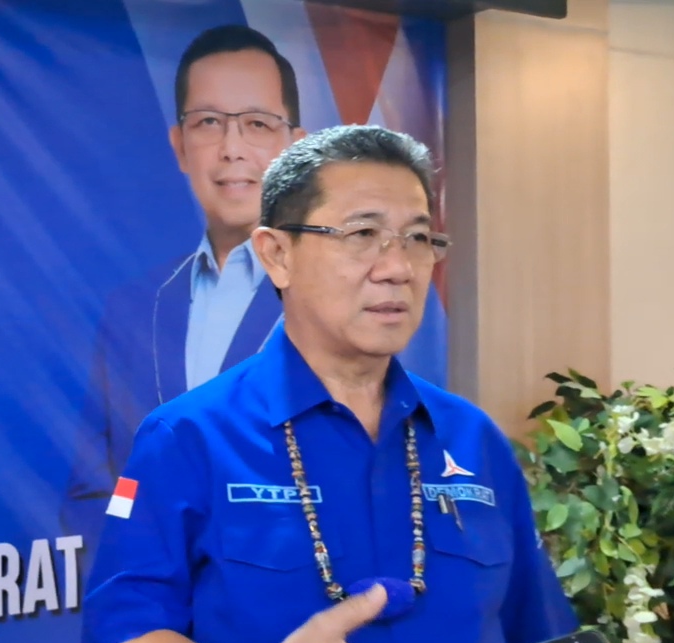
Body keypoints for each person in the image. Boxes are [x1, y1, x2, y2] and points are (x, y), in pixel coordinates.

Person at [79, 125, 578, 643]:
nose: (398, 268)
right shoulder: (188, 438)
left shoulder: (472, 438)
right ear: (277, 255)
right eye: (363, 234)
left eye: (418, 238)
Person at [61, 25, 449, 557]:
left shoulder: (342, 302)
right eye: (208, 122)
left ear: (296, 146)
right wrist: (142, 583)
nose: (232, 149)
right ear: (179, 144)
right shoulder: (134, 306)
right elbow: (90, 491)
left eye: (258, 124)